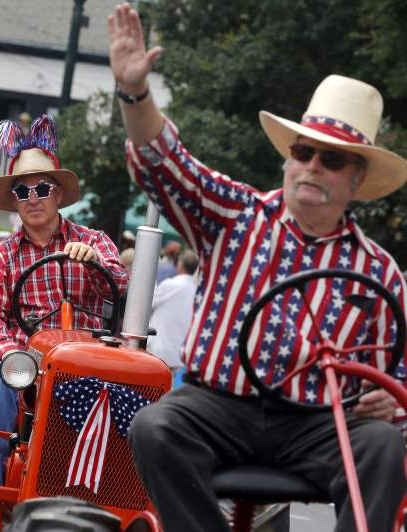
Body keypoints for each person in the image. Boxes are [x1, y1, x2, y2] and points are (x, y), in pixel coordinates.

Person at [108, 4, 407, 531]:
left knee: (382, 446)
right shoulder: (236, 213)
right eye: (303, 151)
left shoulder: (379, 271)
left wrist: (390, 399)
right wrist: (136, 93)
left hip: (318, 424)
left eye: (331, 160)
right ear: (289, 159)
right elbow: (163, 160)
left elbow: (397, 378)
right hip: (218, 405)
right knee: (155, 427)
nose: (312, 167)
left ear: (356, 180)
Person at [0, 114, 129, 524]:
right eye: (22, 191)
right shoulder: (1, 255)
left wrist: (97, 265)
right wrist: (15, 356)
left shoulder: (92, 241)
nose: (32, 197)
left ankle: (124, 487)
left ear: (57, 194)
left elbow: (122, 284)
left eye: (41, 188)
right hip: (28, 363)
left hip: (90, 361)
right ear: (14, 201)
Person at [147, 249, 199, 384]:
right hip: (178, 354)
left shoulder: (171, 284)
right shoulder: (198, 290)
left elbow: (149, 303)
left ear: (180, 265)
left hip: (159, 350)